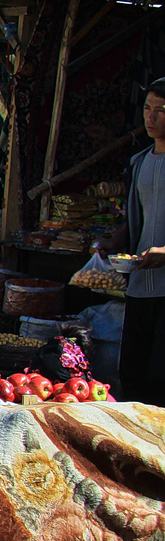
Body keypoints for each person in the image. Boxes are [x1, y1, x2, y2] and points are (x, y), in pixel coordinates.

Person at [101, 78, 165, 406]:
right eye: (147, 109)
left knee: (160, 378)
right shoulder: (139, 162)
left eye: (161, 111)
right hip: (141, 284)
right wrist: (118, 239)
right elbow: (139, 215)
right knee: (133, 373)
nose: (151, 118)